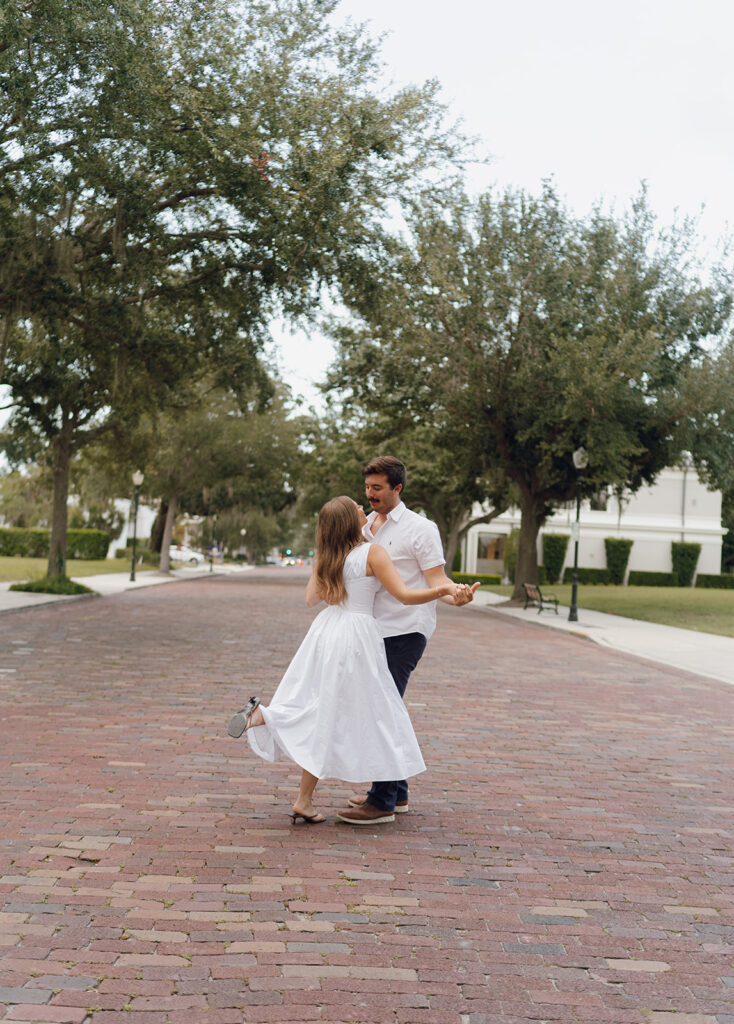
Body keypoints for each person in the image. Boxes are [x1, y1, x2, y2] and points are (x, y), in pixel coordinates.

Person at [226, 495, 460, 824]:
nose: (365, 511)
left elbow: (311, 599)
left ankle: (305, 797)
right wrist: (442, 591)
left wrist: (324, 561)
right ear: (352, 521)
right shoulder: (372, 553)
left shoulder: (329, 557)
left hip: (326, 631)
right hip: (357, 636)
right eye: (359, 509)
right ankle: (269, 717)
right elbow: (405, 596)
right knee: (379, 710)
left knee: (327, 710)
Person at [336, 455, 479, 825]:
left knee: (382, 709)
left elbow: (437, 582)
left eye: (377, 488)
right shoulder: (365, 525)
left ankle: (382, 802)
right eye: (367, 487)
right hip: (371, 630)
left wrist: (456, 597)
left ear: (397, 488)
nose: (370, 495)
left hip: (405, 630)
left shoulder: (420, 529)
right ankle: (396, 794)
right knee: (384, 707)